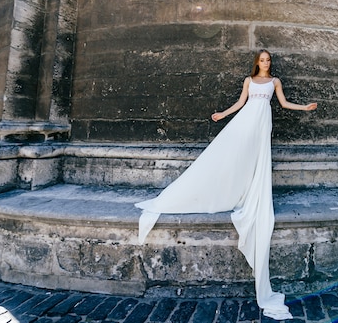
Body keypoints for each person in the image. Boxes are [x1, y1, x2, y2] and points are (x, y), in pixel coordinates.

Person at [135, 49, 317, 320]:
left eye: (268, 60)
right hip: (246, 121)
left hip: (262, 122)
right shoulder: (249, 80)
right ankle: (232, 187)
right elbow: (240, 104)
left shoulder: (275, 82)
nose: (266, 63)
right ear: (257, 62)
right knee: (234, 154)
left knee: (257, 158)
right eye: (262, 60)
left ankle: (248, 191)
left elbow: (284, 103)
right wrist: (222, 114)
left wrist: (304, 107)